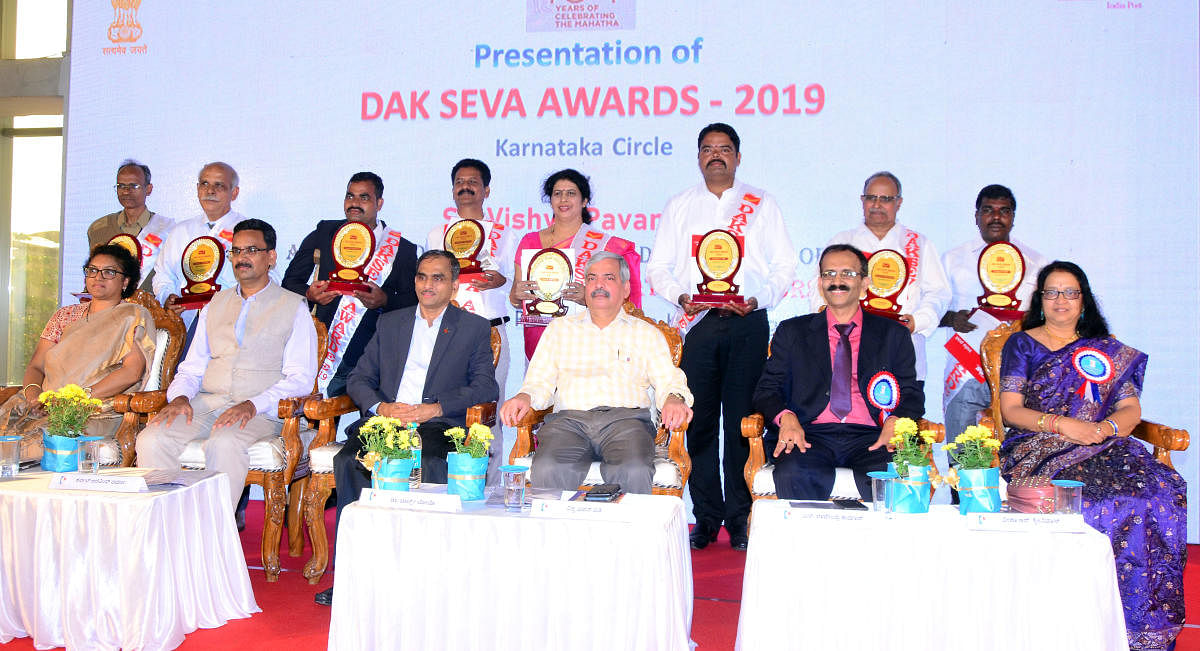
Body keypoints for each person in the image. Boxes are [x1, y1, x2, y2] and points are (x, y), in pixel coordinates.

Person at [997, 261, 1185, 651]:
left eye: (1070, 292)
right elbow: (1010, 411)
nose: (1061, 300)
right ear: (1040, 299)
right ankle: (1075, 621)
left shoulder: (1105, 351)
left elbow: (1130, 410)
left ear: (1084, 300)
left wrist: (1103, 429)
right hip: (1041, 444)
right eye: (1052, 292)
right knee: (1092, 501)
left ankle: (1140, 624)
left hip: (1105, 444)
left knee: (1160, 492)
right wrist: (1062, 425)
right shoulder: (1023, 343)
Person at [645, 123, 797, 551]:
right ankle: (707, 516)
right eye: (708, 149)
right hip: (698, 323)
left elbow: (784, 267)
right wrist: (681, 296)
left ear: (738, 156)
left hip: (747, 320)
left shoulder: (761, 204)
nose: (716, 156)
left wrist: (756, 298)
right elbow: (658, 268)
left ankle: (742, 516)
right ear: (698, 157)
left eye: (725, 149)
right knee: (702, 421)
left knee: (742, 421)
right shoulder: (680, 206)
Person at [318, 250, 497, 607]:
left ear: (454, 284)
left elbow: (485, 387)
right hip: (387, 422)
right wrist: (382, 407)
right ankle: (354, 576)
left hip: (436, 425)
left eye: (438, 278)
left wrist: (435, 408)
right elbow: (359, 378)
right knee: (351, 461)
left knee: (429, 461)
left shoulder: (474, 327)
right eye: (421, 277)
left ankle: (424, 579)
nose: (427, 285)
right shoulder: (391, 323)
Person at [136, 219, 317, 509]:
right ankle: (166, 527)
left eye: (252, 250)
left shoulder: (293, 306)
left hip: (261, 411)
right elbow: (191, 368)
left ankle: (213, 535)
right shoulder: (214, 304)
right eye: (236, 251)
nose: (242, 258)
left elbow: (301, 379)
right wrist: (179, 397)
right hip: (208, 403)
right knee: (152, 439)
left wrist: (252, 404)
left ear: (271, 257)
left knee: (224, 442)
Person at [500, 252, 692, 494]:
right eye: (591, 278)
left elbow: (668, 379)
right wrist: (525, 397)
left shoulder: (646, 333)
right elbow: (538, 382)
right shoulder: (560, 329)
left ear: (625, 289)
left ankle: (623, 533)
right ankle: (561, 533)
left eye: (608, 278)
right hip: (569, 423)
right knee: (549, 467)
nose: (598, 285)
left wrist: (674, 399)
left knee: (633, 469)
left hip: (626, 423)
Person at [753, 245, 922, 500]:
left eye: (847, 274)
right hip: (809, 434)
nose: (837, 281)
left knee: (896, 475)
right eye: (829, 274)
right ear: (820, 284)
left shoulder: (892, 334)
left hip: (873, 435)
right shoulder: (792, 332)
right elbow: (766, 390)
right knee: (796, 471)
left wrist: (895, 421)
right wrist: (786, 418)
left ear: (865, 283)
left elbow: (911, 393)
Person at [0, 244, 156, 459]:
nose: (98, 277)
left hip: (94, 409)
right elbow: (36, 366)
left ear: (125, 281)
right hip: (45, 403)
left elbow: (131, 372)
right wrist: (34, 397)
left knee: (35, 443)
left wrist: (78, 399)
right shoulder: (64, 315)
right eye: (92, 270)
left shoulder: (133, 315)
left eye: (109, 272)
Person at [939, 184, 1049, 489]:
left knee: (1021, 467)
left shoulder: (1038, 263)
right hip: (965, 375)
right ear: (976, 216)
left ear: (1013, 216)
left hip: (1020, 378)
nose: (995, 217)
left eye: (1003, 210)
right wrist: (952, 318)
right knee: (963, 466)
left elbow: (1050, 317)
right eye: (988, 210)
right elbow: (930, 311)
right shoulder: (952, 260)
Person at [282, 172, 418, 397]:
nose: (354, 203)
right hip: (322, 349)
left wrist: (385, 300)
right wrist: (309, 294)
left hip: (372, 356)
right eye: (350, 196)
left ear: (379, 203)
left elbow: (413, 302)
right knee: (316, 425)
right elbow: (290, 282)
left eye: (364, 197)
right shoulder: (325, 232)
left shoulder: (401, 249)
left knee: (370, 431)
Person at [426, 159, 514, 479]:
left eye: (473, 182)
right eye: (460, 181)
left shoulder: (502, 233)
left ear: (486, 190)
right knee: (445, 409)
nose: (466, 186)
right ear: (452, 191)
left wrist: (496, 280)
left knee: (488, 412)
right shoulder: (437, 233)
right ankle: (445, 480)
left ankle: (489, 486)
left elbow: (512, 280)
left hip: (489, 332)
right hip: (445, 333)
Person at [823, 171, 951, 390]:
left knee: (902, 422)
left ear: (899, 203)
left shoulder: (918, 244)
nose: (877, 204)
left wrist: (917, 321)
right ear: (862, 201)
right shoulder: (842, 241)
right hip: (849, 347)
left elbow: (939, 293)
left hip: (902, 346)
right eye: (871, 198)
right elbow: (820, 288)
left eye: (886, 199)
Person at [509, 168, 641, 360]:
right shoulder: (529, 242)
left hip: (588, 344)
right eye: (557, 193)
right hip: (540, 342)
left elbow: (627, 302)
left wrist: (588, 298)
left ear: (584, 201)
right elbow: (515, 297)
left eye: (571, 193)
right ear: (550, 200)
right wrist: (516, 296)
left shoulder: (607, 247)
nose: (563, 199)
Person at [153, 162, 252, 324]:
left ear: (234, 193)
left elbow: (269, 277)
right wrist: (167, 297)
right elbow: (163, 274)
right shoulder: (180, 231)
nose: (210, 190)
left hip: (233, 320)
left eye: (219, 185)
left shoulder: (250, 231)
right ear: (198, 188)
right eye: (204, 184)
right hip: (186, 322)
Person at [86, 159, 174, 291]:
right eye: (121, 186)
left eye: (134, 186)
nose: (126, 191)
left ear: (148, 189)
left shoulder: (167, 229)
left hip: (149, 308)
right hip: (108, 309)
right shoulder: (99, 229)